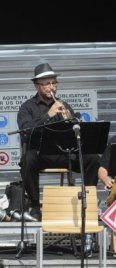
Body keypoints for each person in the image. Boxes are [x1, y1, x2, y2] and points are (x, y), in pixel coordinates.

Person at [17, 63, 100, 221]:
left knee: (92, 158)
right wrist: (48, 115)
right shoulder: (27, 107)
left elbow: (76, 132)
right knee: (27, 160)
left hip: (64, 153)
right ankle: (35, 205)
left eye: (54, 83)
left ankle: (88, 201)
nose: (51, 88)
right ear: (37, 86)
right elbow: (25, 131)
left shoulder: (64, 105)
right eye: (47, 84)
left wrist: (71, 120)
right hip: (41, 154)